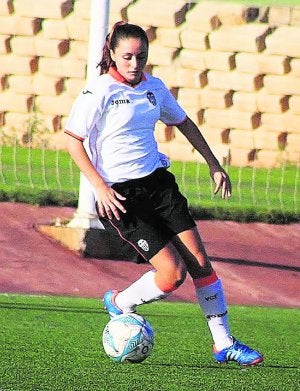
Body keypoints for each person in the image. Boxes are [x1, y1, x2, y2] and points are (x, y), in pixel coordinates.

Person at [65, 21, 263, 366]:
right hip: (121, 198)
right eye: (127, 56)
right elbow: (73, 141)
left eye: (141, 56)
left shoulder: (154, 87)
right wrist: (100, 187)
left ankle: (224, 344)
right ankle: (122, 302)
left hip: (159, 186)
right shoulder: (98, 92)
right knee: (172, 276)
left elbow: (183, 122)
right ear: (112, 54)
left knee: (200, 263)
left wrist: (214, 164)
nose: (134, 63)